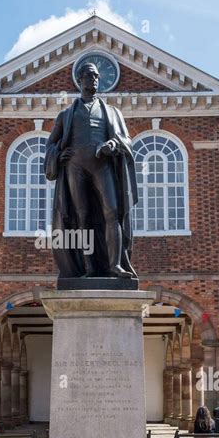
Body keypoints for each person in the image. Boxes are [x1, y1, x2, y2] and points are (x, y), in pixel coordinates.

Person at [44, 61, 138, 281]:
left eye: (96, 76)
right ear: (80, 80)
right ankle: (89, 268)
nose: (94, 80)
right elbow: (50, 144)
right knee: (81, 217)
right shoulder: (66, 115)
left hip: (102, 165)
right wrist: (58, 154)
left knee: (112, 212)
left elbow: (127, 139)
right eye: (90, 76)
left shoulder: (112, 113)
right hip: (75, 168)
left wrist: (113, 145)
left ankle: (115, 265)